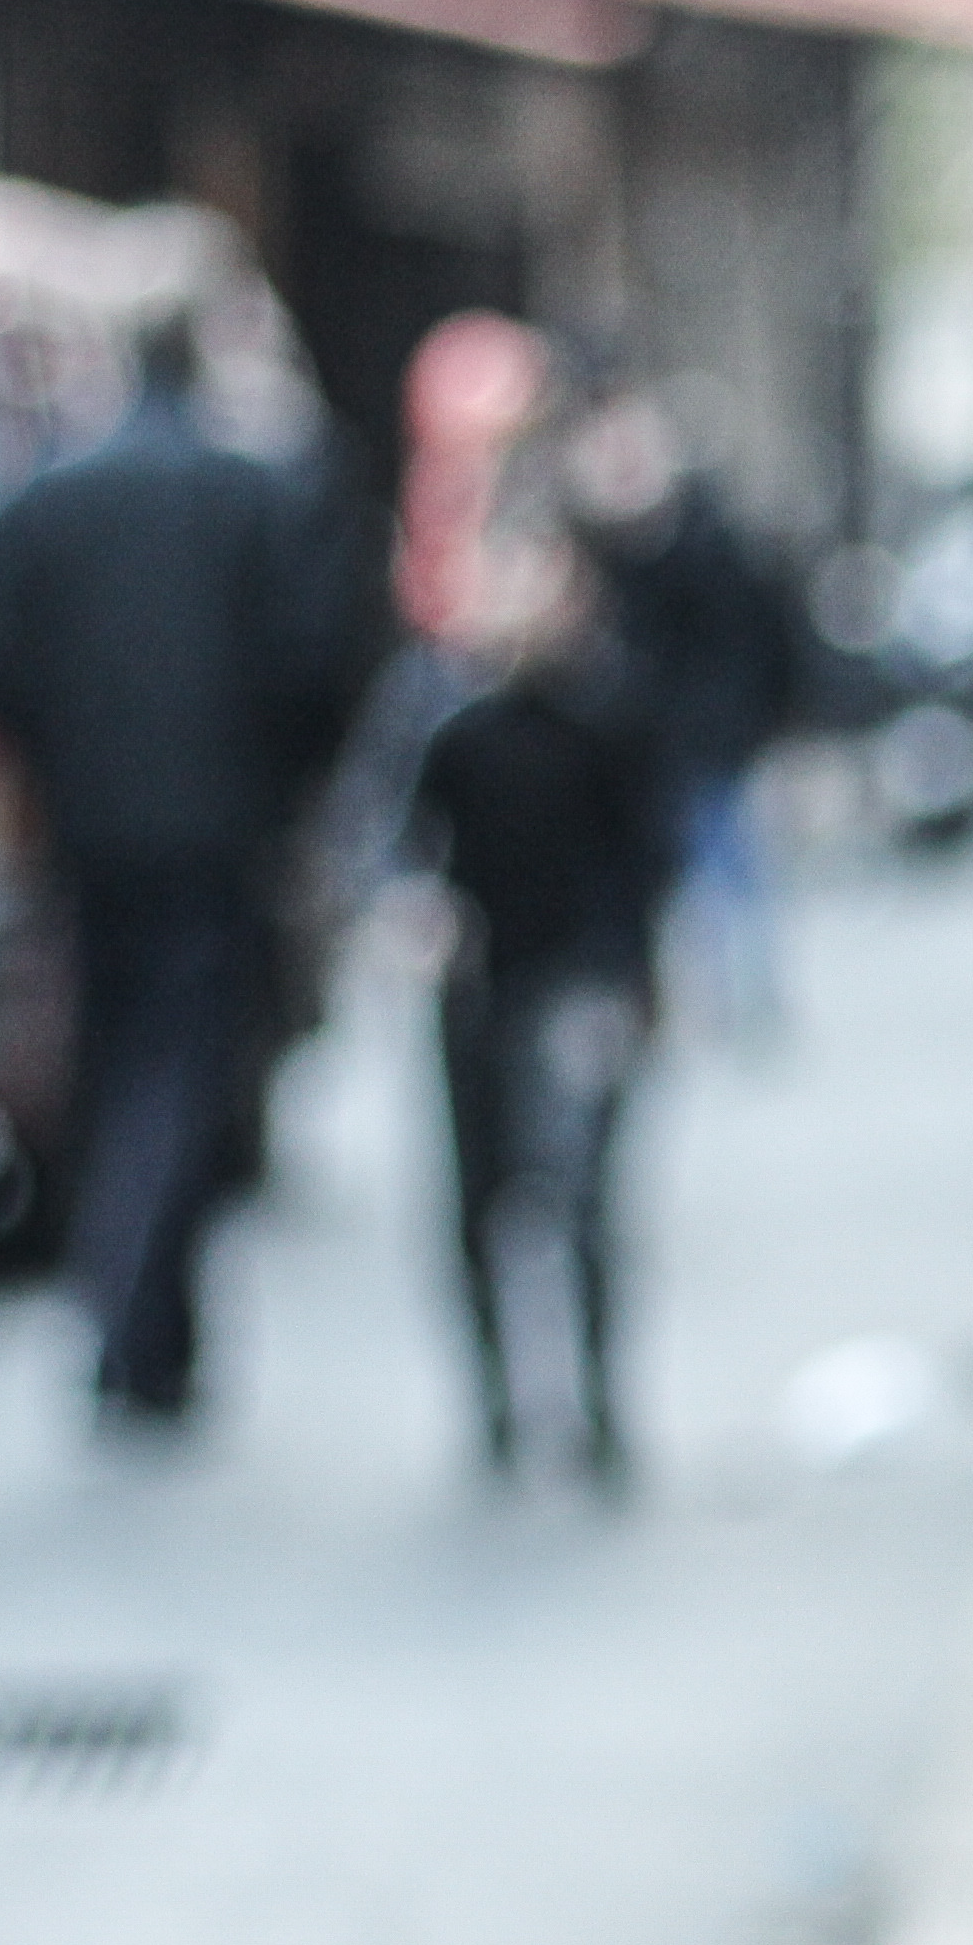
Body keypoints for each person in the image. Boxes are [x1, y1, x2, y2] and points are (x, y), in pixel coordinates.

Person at [0, 307, 342, 1425]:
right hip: (214, 835)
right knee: (175, 1073)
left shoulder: (54, 499)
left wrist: (58, 749)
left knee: (121, 1059)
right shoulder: (246, 495)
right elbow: (311, 656)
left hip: (95, 829)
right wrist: (274, 783)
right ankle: (129, 1299)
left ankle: (150, 1328)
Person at [401, 515, 681, 1487]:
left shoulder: (613, 715)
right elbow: (410, 846)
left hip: (577, 985)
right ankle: (498, 1406)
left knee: (581, 1200)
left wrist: (636, 983)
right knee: (479, 1204)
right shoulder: (449, 718)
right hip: (483, 986)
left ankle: (598, 1402)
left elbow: (647, 861)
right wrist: (424, 921)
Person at [561, 378, 800, 1040]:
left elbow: (760, 638)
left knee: (729, 868)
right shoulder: (617, 541)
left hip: (712, 739)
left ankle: (743, 999)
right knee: (689, 870)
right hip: (656, 741)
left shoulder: (709, 538)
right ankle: (707, 996)